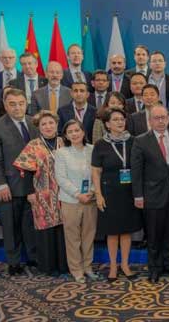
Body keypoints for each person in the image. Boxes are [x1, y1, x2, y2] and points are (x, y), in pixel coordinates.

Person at [0, 89, 39, 275]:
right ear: (5, 105)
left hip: (33, 185)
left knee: (30, 224)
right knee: (10, 225)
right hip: (9, 186)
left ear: (26, 103)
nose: (17, 107)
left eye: (21, 103)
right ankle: (14, 262)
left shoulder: (34, 123)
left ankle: (33, 257)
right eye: (12, 104)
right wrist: (0, 184)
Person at [131, 105, 169, 283]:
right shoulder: (140, 140)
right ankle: (154, 268)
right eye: (156, 118)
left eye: (164, 117)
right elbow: (136, 171)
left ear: (168, 119)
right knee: (153, 234)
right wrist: (138, 195)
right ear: (150, 121)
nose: (161, 121)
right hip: (152, 195)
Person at [12, 110, 68, 276]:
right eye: (44, 124)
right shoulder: (33, 145)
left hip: (65, 193)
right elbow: (26, 170)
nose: (48, 126)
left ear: (56, 124)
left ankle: (64, 265)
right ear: (39, 127)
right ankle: (48, 267)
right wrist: (29, 192)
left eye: (51, 123)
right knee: (46, 231)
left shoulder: (65, 142)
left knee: (63, 229)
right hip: (42, 194)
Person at [92, 108, 142, 281]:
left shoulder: (134, 141)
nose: (120, 122)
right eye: (115, 120)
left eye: (122, 119)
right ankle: (113, 266)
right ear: (107, 124)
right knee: (112, 232)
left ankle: (125, 265)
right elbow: (96, 171)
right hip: (109, 193)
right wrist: (98, 194)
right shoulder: (100, 144)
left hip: (129, 193)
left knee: (126, 231)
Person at [54, 120, 99, 283]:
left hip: (90, 199)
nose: (74, 134)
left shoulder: (92, 150)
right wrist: (78, 194)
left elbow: (97, 174)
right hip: (70, 201)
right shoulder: (61, 153)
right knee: (72, 237)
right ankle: (76, 270)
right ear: (66, 135)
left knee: (88, 235)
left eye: (77, 130)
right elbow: (61, 178)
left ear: (83, 132)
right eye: (70, 131)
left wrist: (92, 191)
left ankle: (88, 267)